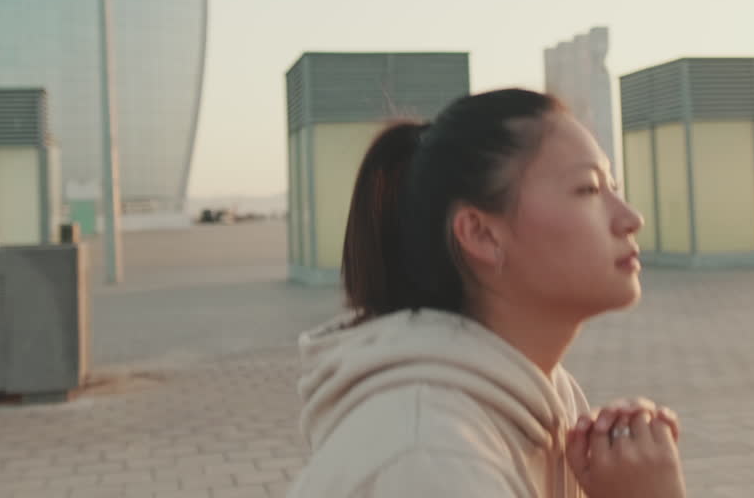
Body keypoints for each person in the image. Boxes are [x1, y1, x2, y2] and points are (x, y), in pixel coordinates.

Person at [287, 88, 688, 498]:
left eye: (614, 187)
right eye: (588, 189)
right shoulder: (429, 458)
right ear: (481, 234)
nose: (630, 217)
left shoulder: (551, 402)